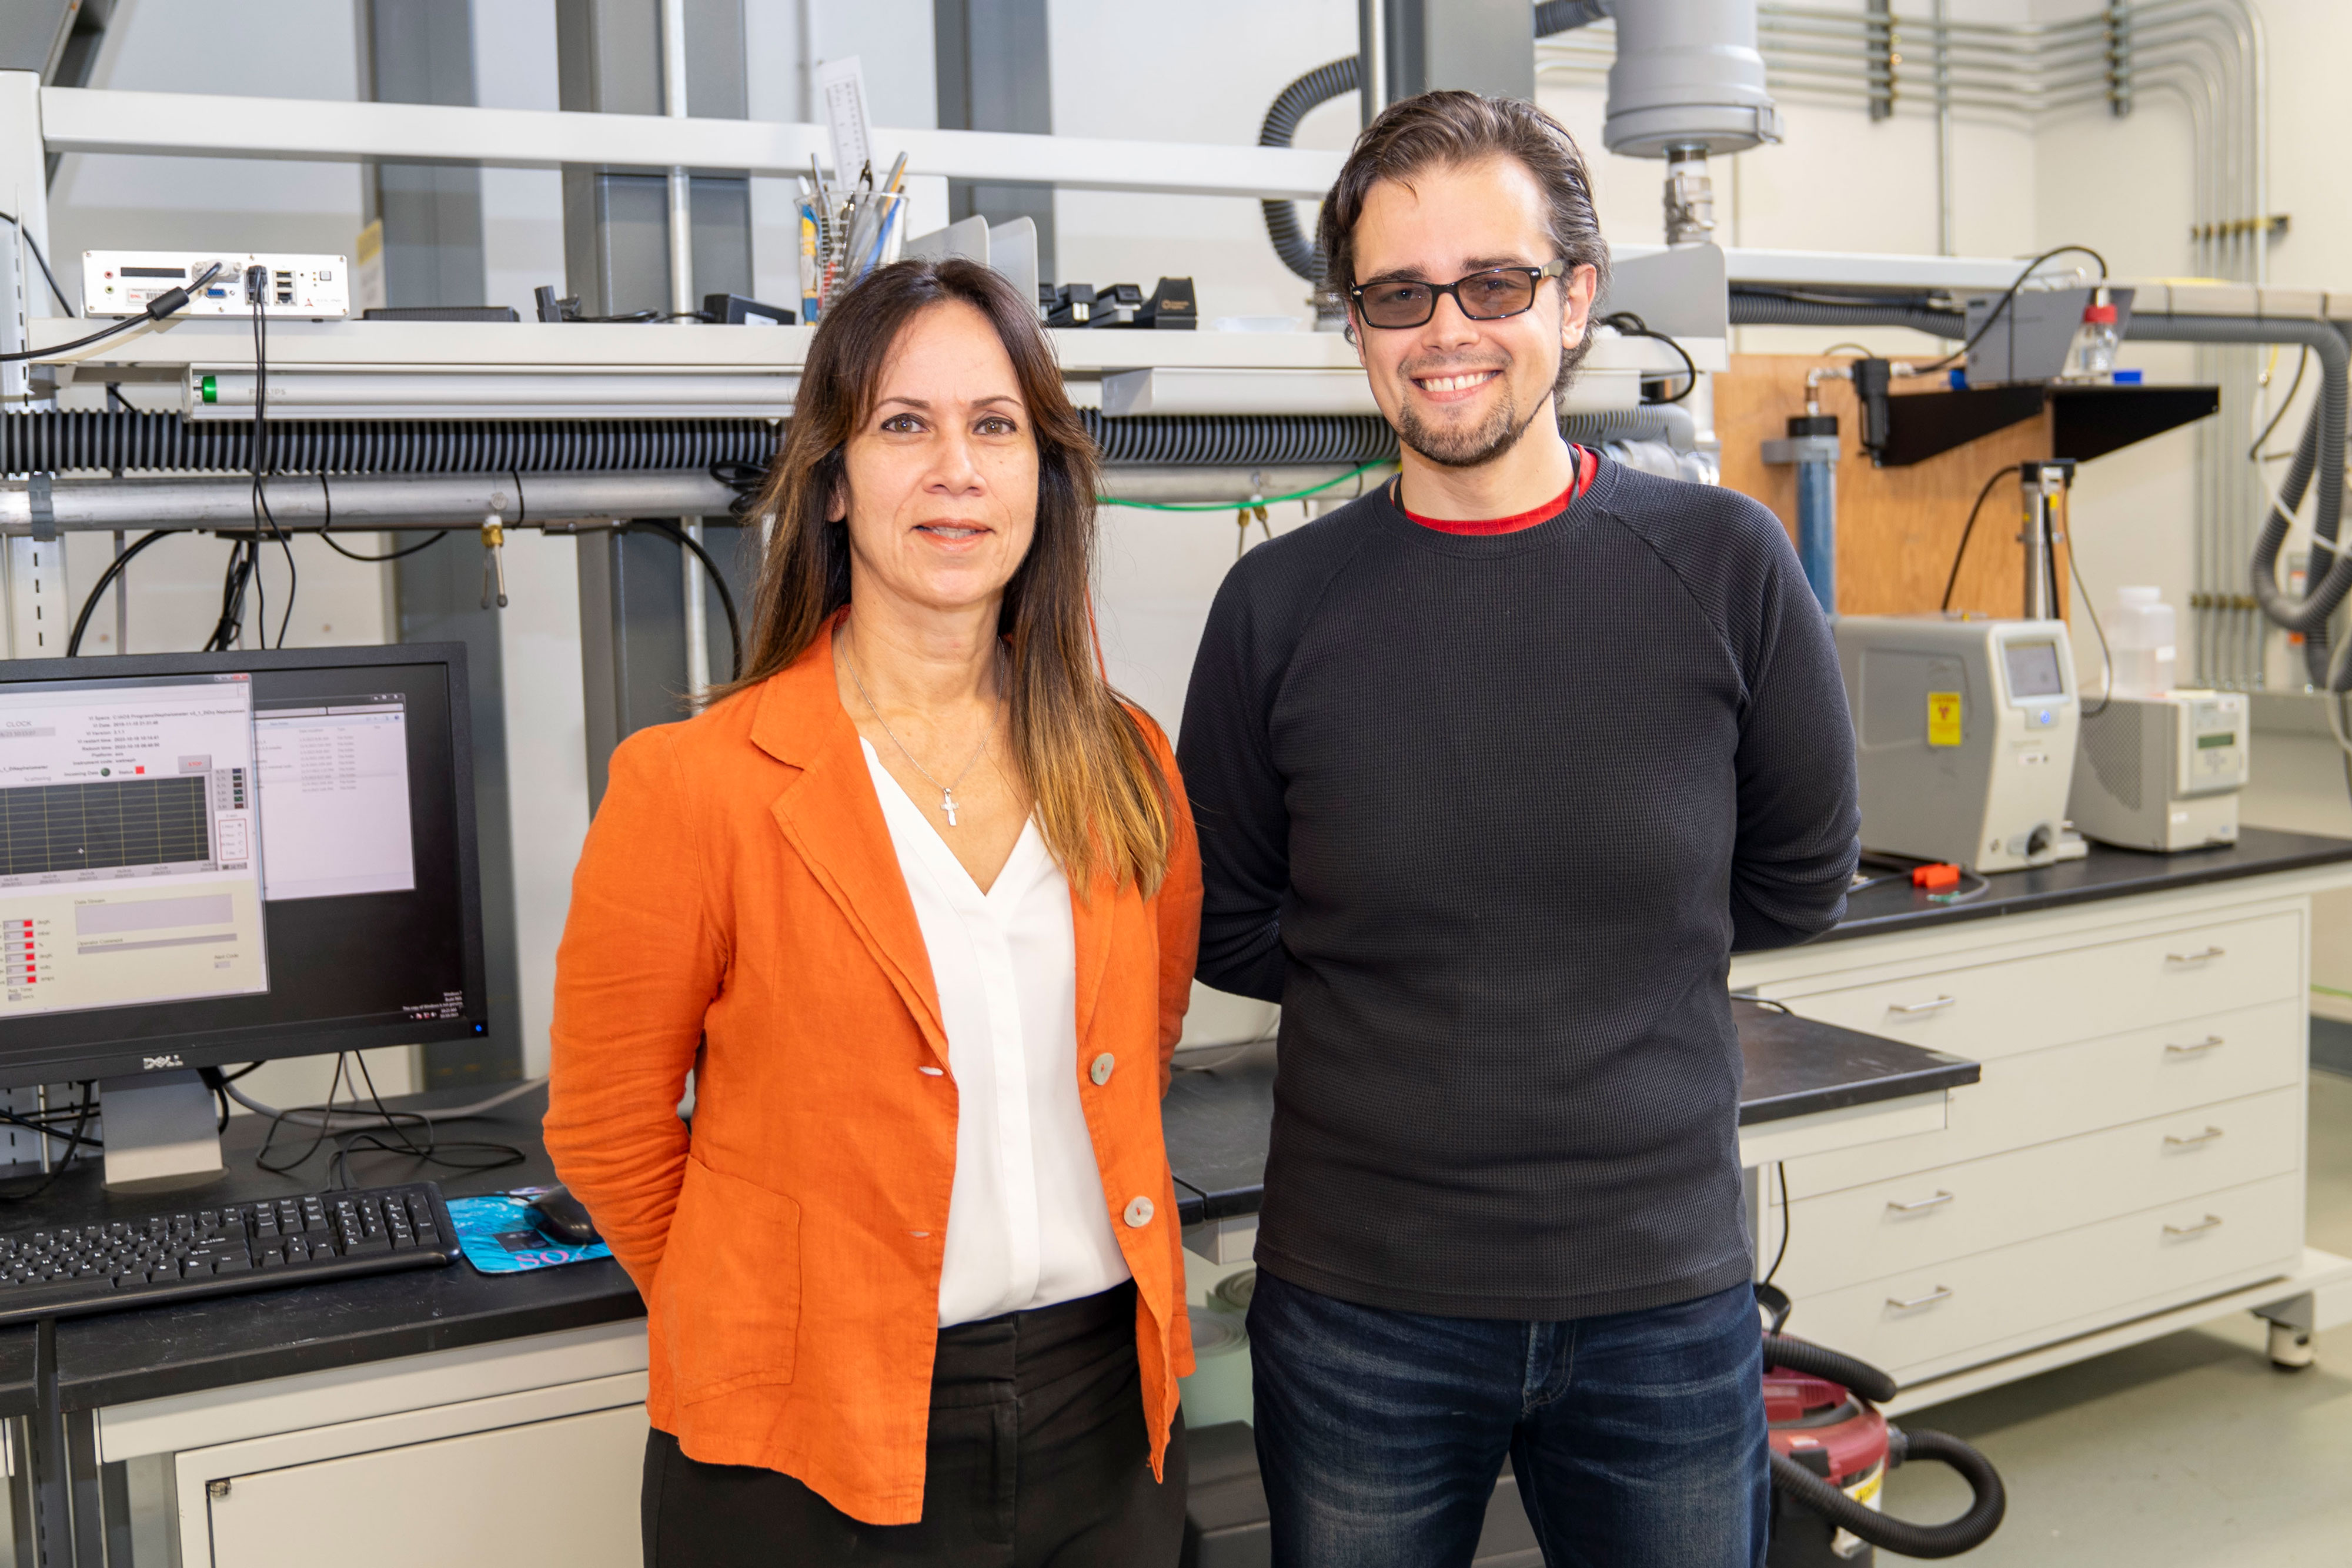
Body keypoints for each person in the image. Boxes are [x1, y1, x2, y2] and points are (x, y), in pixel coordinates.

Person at [1177, 92, 1861, 1567]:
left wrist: (1572, 943)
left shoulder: (1721, 563)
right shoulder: (1277, 609)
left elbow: (1798, 877)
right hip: (1361, 1300)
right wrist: (1425, 960)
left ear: (1573, 297)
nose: (1445, 329)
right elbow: (1220, 913)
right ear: (1353, 324)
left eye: (1491, 283)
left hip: (1659, 1295)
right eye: (1396, 294)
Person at [546, 256, 1202, 1568]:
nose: (954, 468)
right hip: (799, 1447)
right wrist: (775, 1317)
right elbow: (609, 1129)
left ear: (1041, 476)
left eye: (994, 426)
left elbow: (1147, 1022)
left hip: (1100, 1418)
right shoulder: (696, 784)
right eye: (904, 424)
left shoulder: (1124, 758)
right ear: (835, 483)